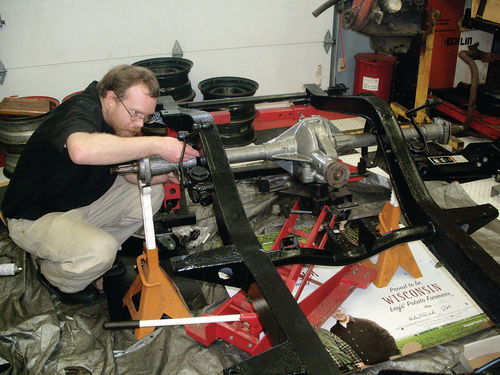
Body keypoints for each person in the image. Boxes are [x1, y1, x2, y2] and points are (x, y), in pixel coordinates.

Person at [1, 65, 199, 304]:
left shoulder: (121, 122)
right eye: (135, 113)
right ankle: (55, 276)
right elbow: (81, 151)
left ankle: (90, 257)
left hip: (80, 201)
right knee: (100, 251)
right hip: (35, 217)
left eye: (145, 117)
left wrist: (164, 176)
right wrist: (158, 145)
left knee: (151, 192)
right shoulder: (80, 110)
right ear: (110, 97)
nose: (138, 124)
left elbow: (128, 173)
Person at [329, 306, 400, 365]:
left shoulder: (364, 322)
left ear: (344, 309)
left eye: (338, 310)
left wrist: (393, 354)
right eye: (333, 312)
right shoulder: (334, 331)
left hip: (383, 361)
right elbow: (341, 350)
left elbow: (386, 337)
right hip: (364, 368)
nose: (337, 314)